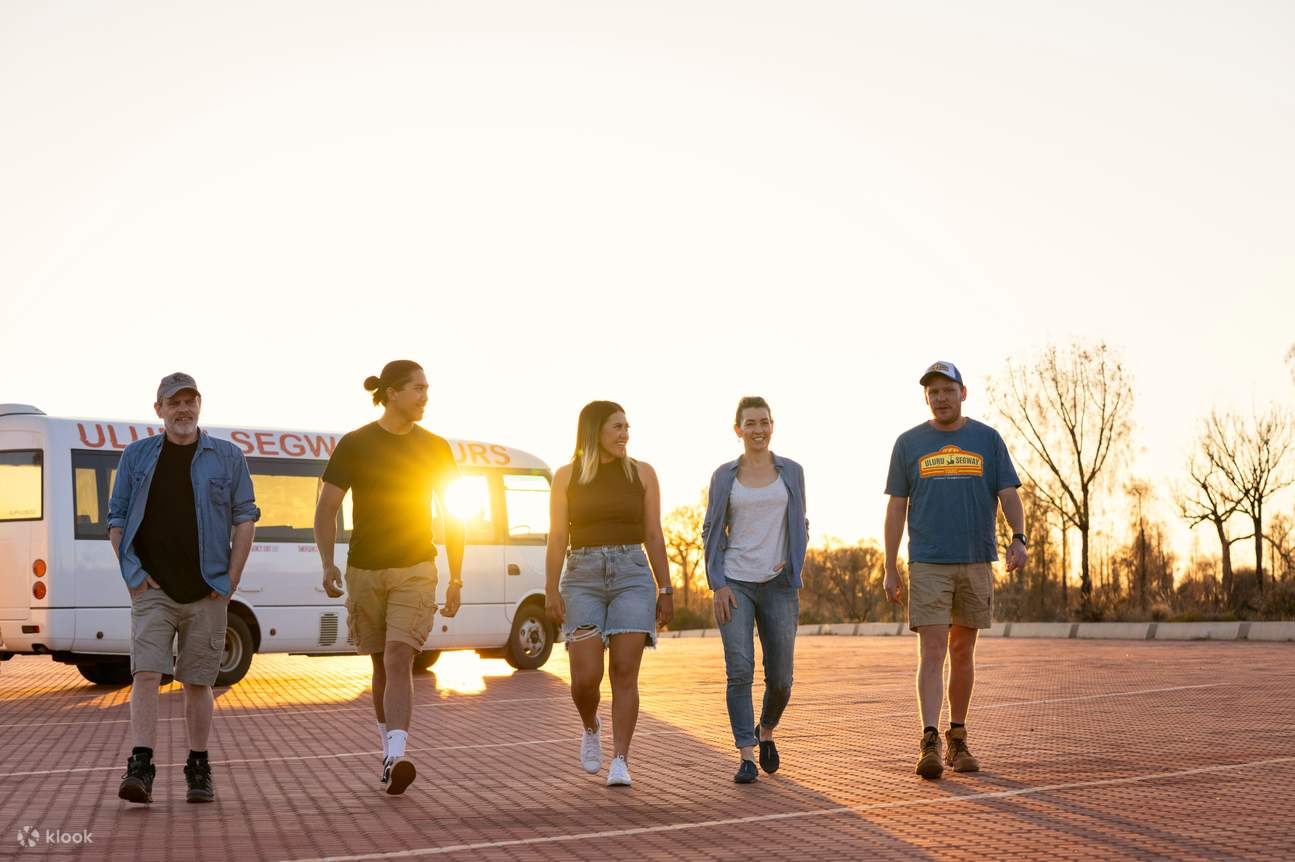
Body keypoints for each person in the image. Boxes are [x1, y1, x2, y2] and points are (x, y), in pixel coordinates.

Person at [313, 360, 464, 795]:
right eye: (418, 388)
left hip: (416, 566)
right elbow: (327, 508)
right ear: (392, 393)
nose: (425, 396)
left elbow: (453, 514)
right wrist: (327, 562)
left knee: (400, 657)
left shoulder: (435, 447)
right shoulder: (356, 444)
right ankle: (387, 752)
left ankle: (398, 754)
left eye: (427, 388)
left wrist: (456, 576)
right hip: (364, 569)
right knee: (380, 660)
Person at [109, 372, 259, 804]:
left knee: (198, 682)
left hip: (208, 589)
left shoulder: (227, 456)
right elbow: (115, 519)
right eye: (174, 402)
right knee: (146, 672)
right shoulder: (136, 456)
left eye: (190, 401)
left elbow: (245, 517)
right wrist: (134, 576)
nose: (183, 409)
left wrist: (231, 581)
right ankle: (141, 765)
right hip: (152, 587)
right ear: (158, 410)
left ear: (200, 406)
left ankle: (198, 767)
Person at [883, 361, 1026, 780]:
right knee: (932, 651)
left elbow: (1008, 494)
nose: (941, 398)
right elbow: (896, 508)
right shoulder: (909, 443)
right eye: (933, 392)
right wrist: (890, 566)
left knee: (963, 651)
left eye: (948, 390)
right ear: (926, 398)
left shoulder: (987, 439)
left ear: (963, 393)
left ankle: (957, 737)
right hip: (927, 562)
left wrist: (1019, 538)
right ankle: (928, 740)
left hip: (976, 560)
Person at [545, 400, 673, 787]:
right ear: (594, 431)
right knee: (585, 679)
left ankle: (620, 760)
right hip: (582, 576)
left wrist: (665, 588)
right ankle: (590, 725)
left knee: (623, 671)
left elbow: (653, 533)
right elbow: (557, 537)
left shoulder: (643, 474)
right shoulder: (566, 477)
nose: (624, 434)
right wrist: (551, 589)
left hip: (632, 575)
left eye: (627, 427)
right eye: (616, 427)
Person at [703, 396, 808, 784]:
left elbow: (802, 522)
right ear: (738, 430)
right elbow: (711, 530)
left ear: (772, 425)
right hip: (736, 584)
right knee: (740, 670)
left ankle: (766, 730)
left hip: (780, 586)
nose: (758, 429)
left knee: (781, 678)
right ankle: (746, 754)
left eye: (764, 422)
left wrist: (794, 561)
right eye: (750, 423)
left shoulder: (792, 472)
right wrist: (718, 584)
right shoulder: (724, 476)